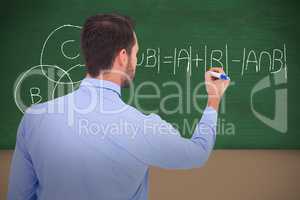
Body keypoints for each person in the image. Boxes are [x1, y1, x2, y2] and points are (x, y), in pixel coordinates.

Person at [8, 13, 230, 200]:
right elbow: (197, 153)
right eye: (136, 54)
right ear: (123, 57)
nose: (136, 62)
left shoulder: (35, 118)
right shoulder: (141, 127)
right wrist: (213, 98)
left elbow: (19, 196)